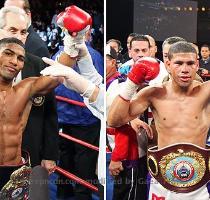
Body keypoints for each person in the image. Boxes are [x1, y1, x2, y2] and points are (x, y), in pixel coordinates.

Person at [107, 41, 210, 199]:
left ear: (197, 65)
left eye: (190, 63)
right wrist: (131, 83)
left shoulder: (206, 92)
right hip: (162, 181)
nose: (185, 69)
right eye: (178, 63)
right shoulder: (154, 93)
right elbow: (114, 120)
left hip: (198, 183)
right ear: (168, 64)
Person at [0, 37, 61, 195]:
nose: (14, 61)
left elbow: (58, 77)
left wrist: (74, 44)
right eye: (8, 54)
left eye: (20, 58)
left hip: (15, 170)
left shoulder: (25, 89)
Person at [0, 6, 58, 170]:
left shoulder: (38, 63)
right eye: (12, 30)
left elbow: (50, 112)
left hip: (27, 157)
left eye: (23, 32)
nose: (18, 37)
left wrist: (50, 154)